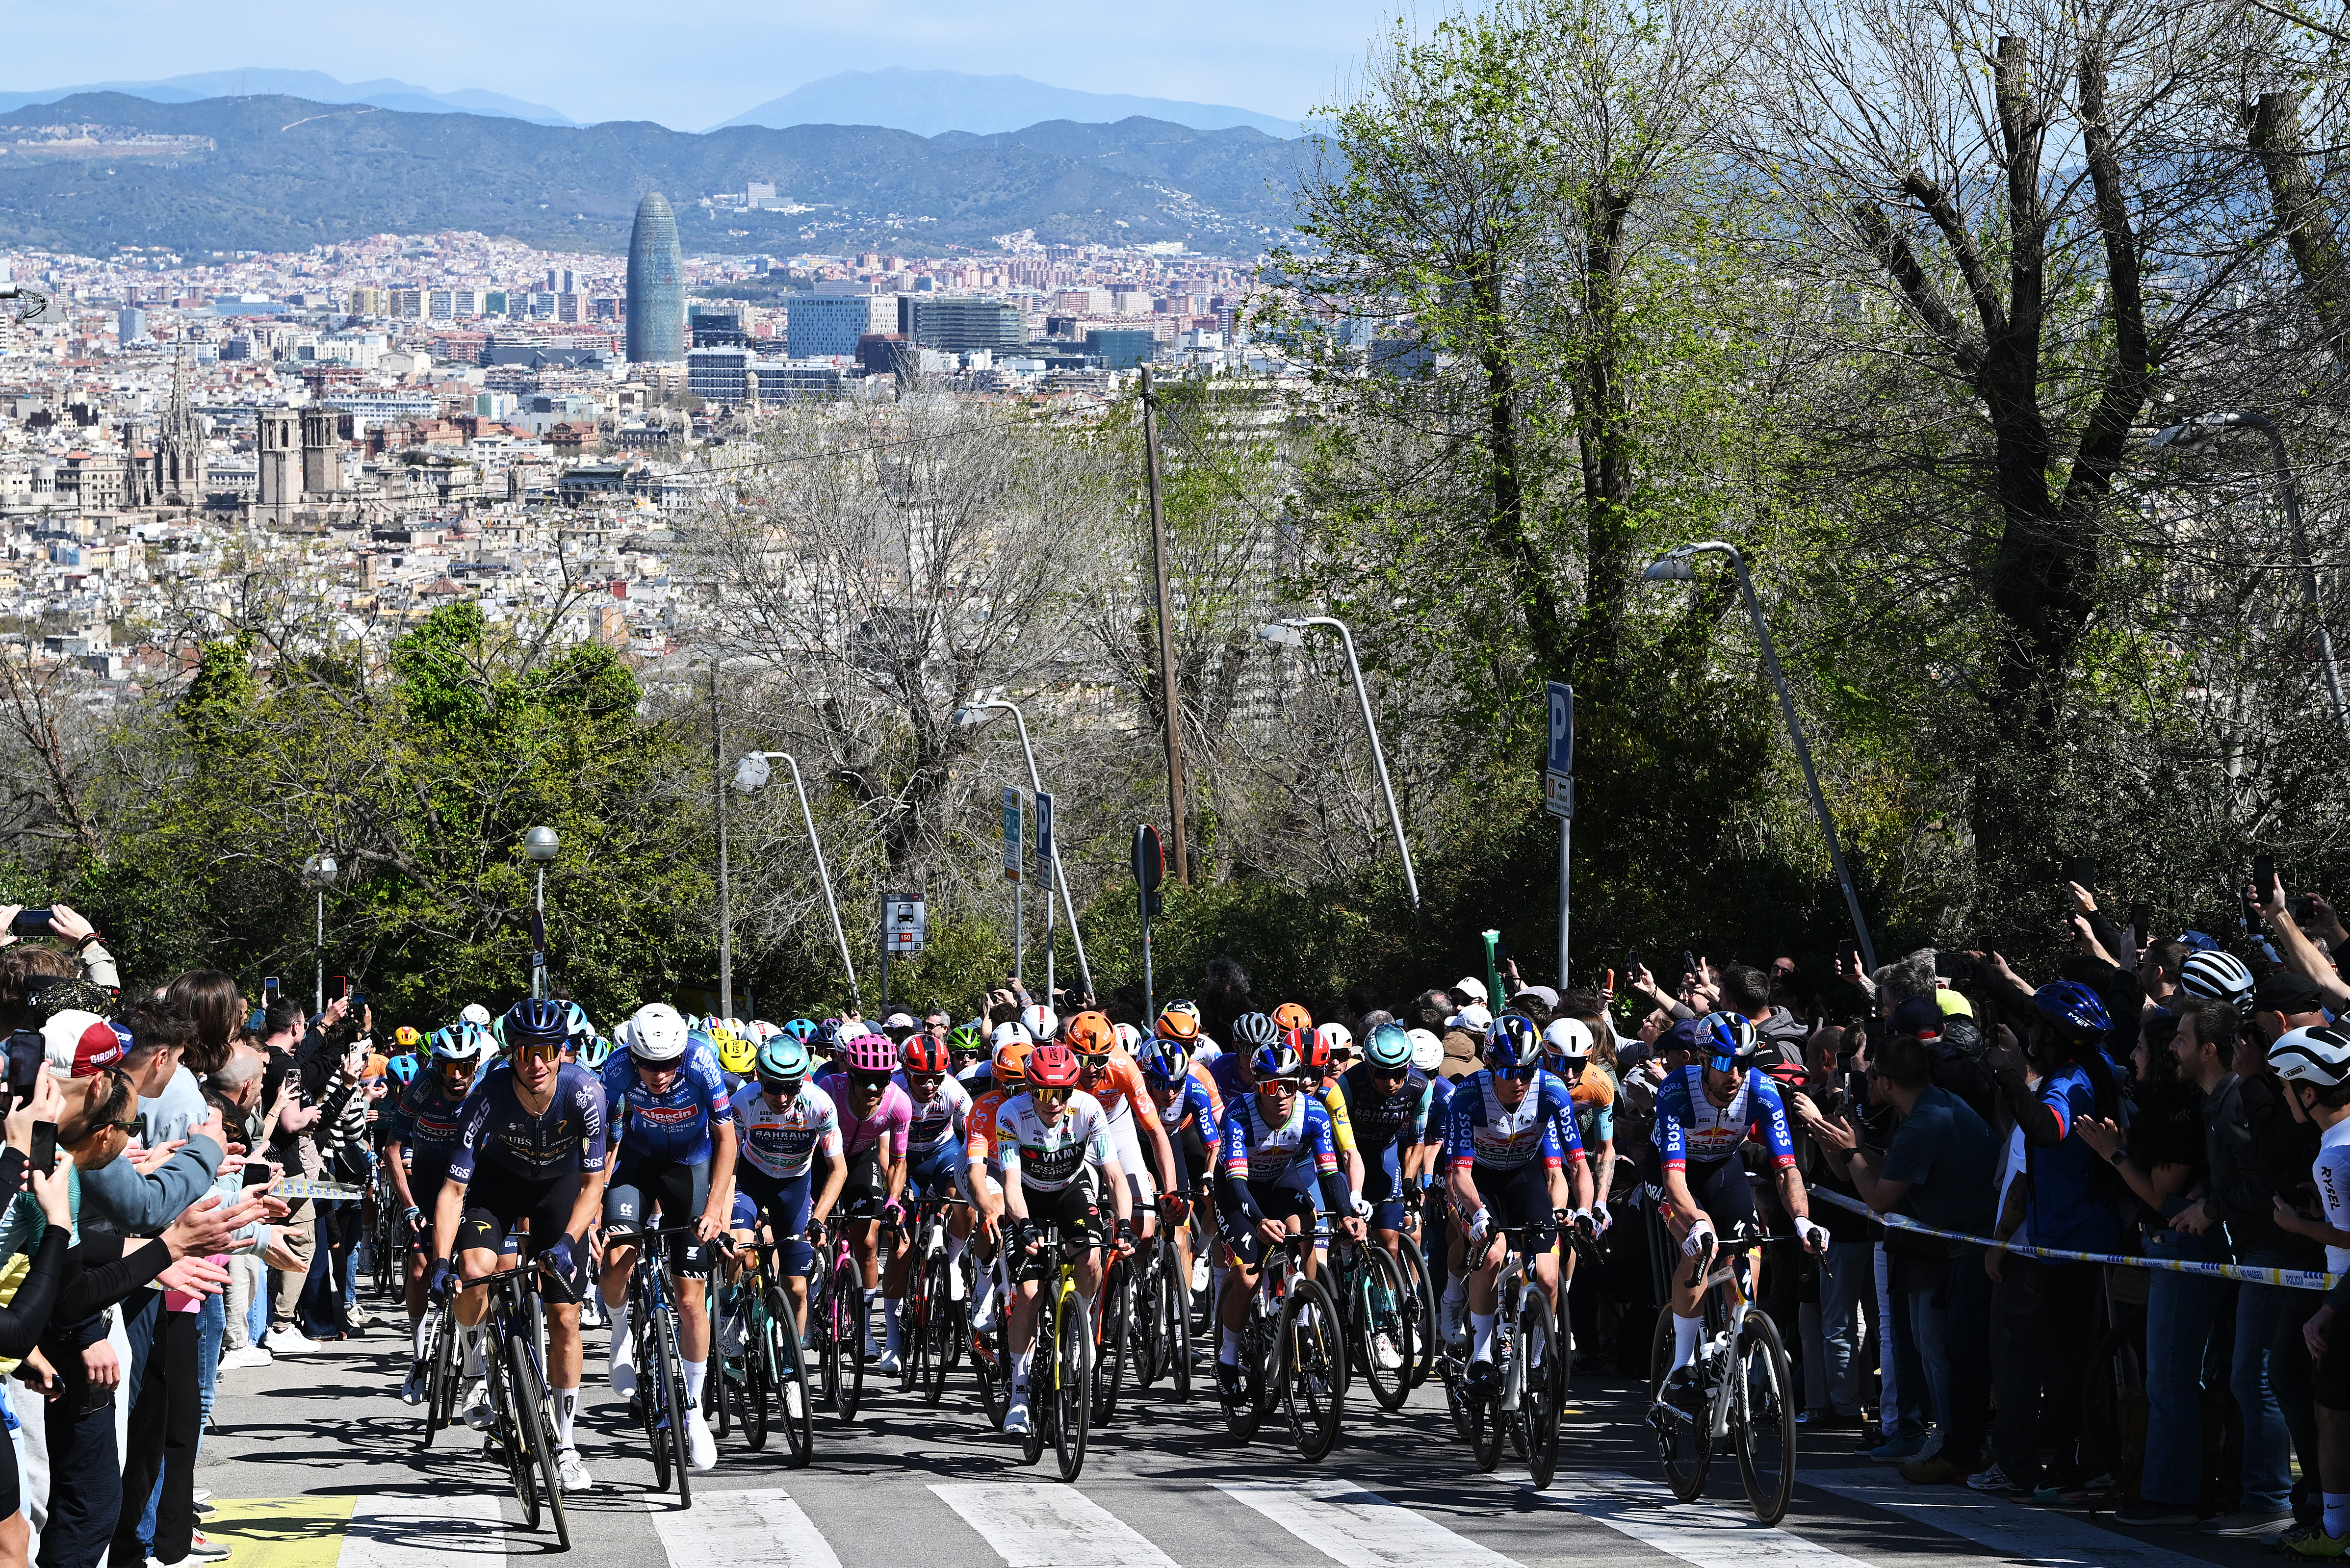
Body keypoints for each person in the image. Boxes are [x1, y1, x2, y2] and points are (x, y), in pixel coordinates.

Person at [427, 998, 606, 1493]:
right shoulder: (488, 1095)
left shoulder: (587, 1092)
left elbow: (594, 1182)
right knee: (474, 1270)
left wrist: (569, 1241)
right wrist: (440, 1262)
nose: (537, 1063)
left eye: (547, 1051)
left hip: (559, 1191)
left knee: (565, 1317)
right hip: (499, 1187)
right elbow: (454, 1189)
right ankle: (475, 1370)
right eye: (526, 1051)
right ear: (512, 1054)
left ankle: (566, 1443)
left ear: (562, 1051)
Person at [1807, 1033, 1995, 1484]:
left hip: (1973, 1246)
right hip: (1956, 1243)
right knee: (1935, 1347)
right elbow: (1879, 1171)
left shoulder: (1923, 1122)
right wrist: (1845, 1144)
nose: (1866, 1081)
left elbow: (1879, 1198)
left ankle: (1957, 1446)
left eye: (1871, 1074)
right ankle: (1953, 1440)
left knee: (1947, 1351)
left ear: (1887, 1081)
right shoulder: (1929, 1106)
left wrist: (1850, 1150)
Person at [1651, 1012, 1829, 1418]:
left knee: (1748, 1247)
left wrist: (1802, 1219)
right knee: (1699, 1247)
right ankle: (1681, 1366)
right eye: (1722, 1062)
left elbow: (1786, 1169)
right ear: (1701, 1058)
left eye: (1743, 1063)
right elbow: (1674, 1180)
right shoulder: (1676, 1089)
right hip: (1674, 1173)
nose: (1733, 1074)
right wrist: (1696, 1222)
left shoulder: (1762, 1090)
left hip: (1722, 1168)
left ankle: (1735, 1344)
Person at [594, 1001, 735, 1473]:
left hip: (689, 1166)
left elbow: (727, 1138)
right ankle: (620, 1331)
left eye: (668, 1064)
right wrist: (592, 1208)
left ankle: (694, 1410)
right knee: (618, 1255)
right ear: (632, 1055)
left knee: (690, 1298)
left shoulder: (701, 1060)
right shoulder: (616, 1067)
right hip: (636, 1163)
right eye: (648, 1064)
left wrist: (714, 1209)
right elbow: (598, 1138)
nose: (658, 1074)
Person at [996, 1042, 1129, 1435]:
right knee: (1030, 1292)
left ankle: (1079, 1322)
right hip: (1028, 1197)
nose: (1053, 1102)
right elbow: (1010, 1183)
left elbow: (1114, 1174)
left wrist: (1123, 1223)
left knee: (1091, 1257)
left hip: (1071, 1189)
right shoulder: (1011, 1114)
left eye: (1062, 1092)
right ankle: (1019, 1395)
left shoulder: (1089, 1109)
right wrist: (1024, 1224)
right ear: (1029, 1088)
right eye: (1043, 1092)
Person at [1213, 1035, 1348, 1400]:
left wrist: (1347, 1214)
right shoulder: (1239, 1114)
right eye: (1272, 1086)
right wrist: (1259, 1220)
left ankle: (1303, 1317)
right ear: (1258, 1087)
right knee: (1247, 1276)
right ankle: (1227, 1357)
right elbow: (1236, 1183)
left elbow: (1330, 1173)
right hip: (1239, 1190)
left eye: (1289, 1084)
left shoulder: (1314, 1113)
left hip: (1280, 1180)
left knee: (1304, 1231)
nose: (1282, 1094)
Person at [721, 1032, 843, 1421]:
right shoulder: (743, 1103)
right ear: (758, 1077)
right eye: (773, 1086)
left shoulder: (819, 1105)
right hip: (750, 1181)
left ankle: (791, 1373)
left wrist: (819, 1216)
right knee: (740, 1248)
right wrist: (723, 1218)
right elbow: (728, 1166)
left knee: (797, 1286)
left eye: (791, 1086)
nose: (783, 1096)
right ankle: (728, 1317)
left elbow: (838, 1168)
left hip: (795, 1186)